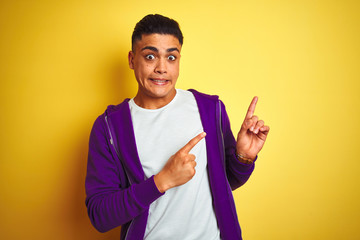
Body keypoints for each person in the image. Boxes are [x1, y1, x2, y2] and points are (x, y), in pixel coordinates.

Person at [85, 14, 269, 240]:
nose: (162, 68)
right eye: (150, 56)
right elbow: (100, 216)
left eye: (171, 57)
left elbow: (224, 182)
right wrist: (162, 181)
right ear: (132, 60)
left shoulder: (210, 109)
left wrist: (244, 157)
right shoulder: (110, 127)